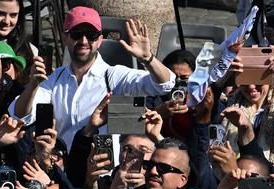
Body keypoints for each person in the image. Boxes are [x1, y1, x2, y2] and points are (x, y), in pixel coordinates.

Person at [10, 9, 175, 149]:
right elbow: (20, 115)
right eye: (77, 34)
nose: (84, 41)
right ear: (65, 38)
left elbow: (164, 85)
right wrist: (32, 85)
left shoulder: (113, 76)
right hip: (63, 167)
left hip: (102, 170)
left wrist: (148, 58)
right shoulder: (55, 78)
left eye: (91, 35)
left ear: (100, 40)